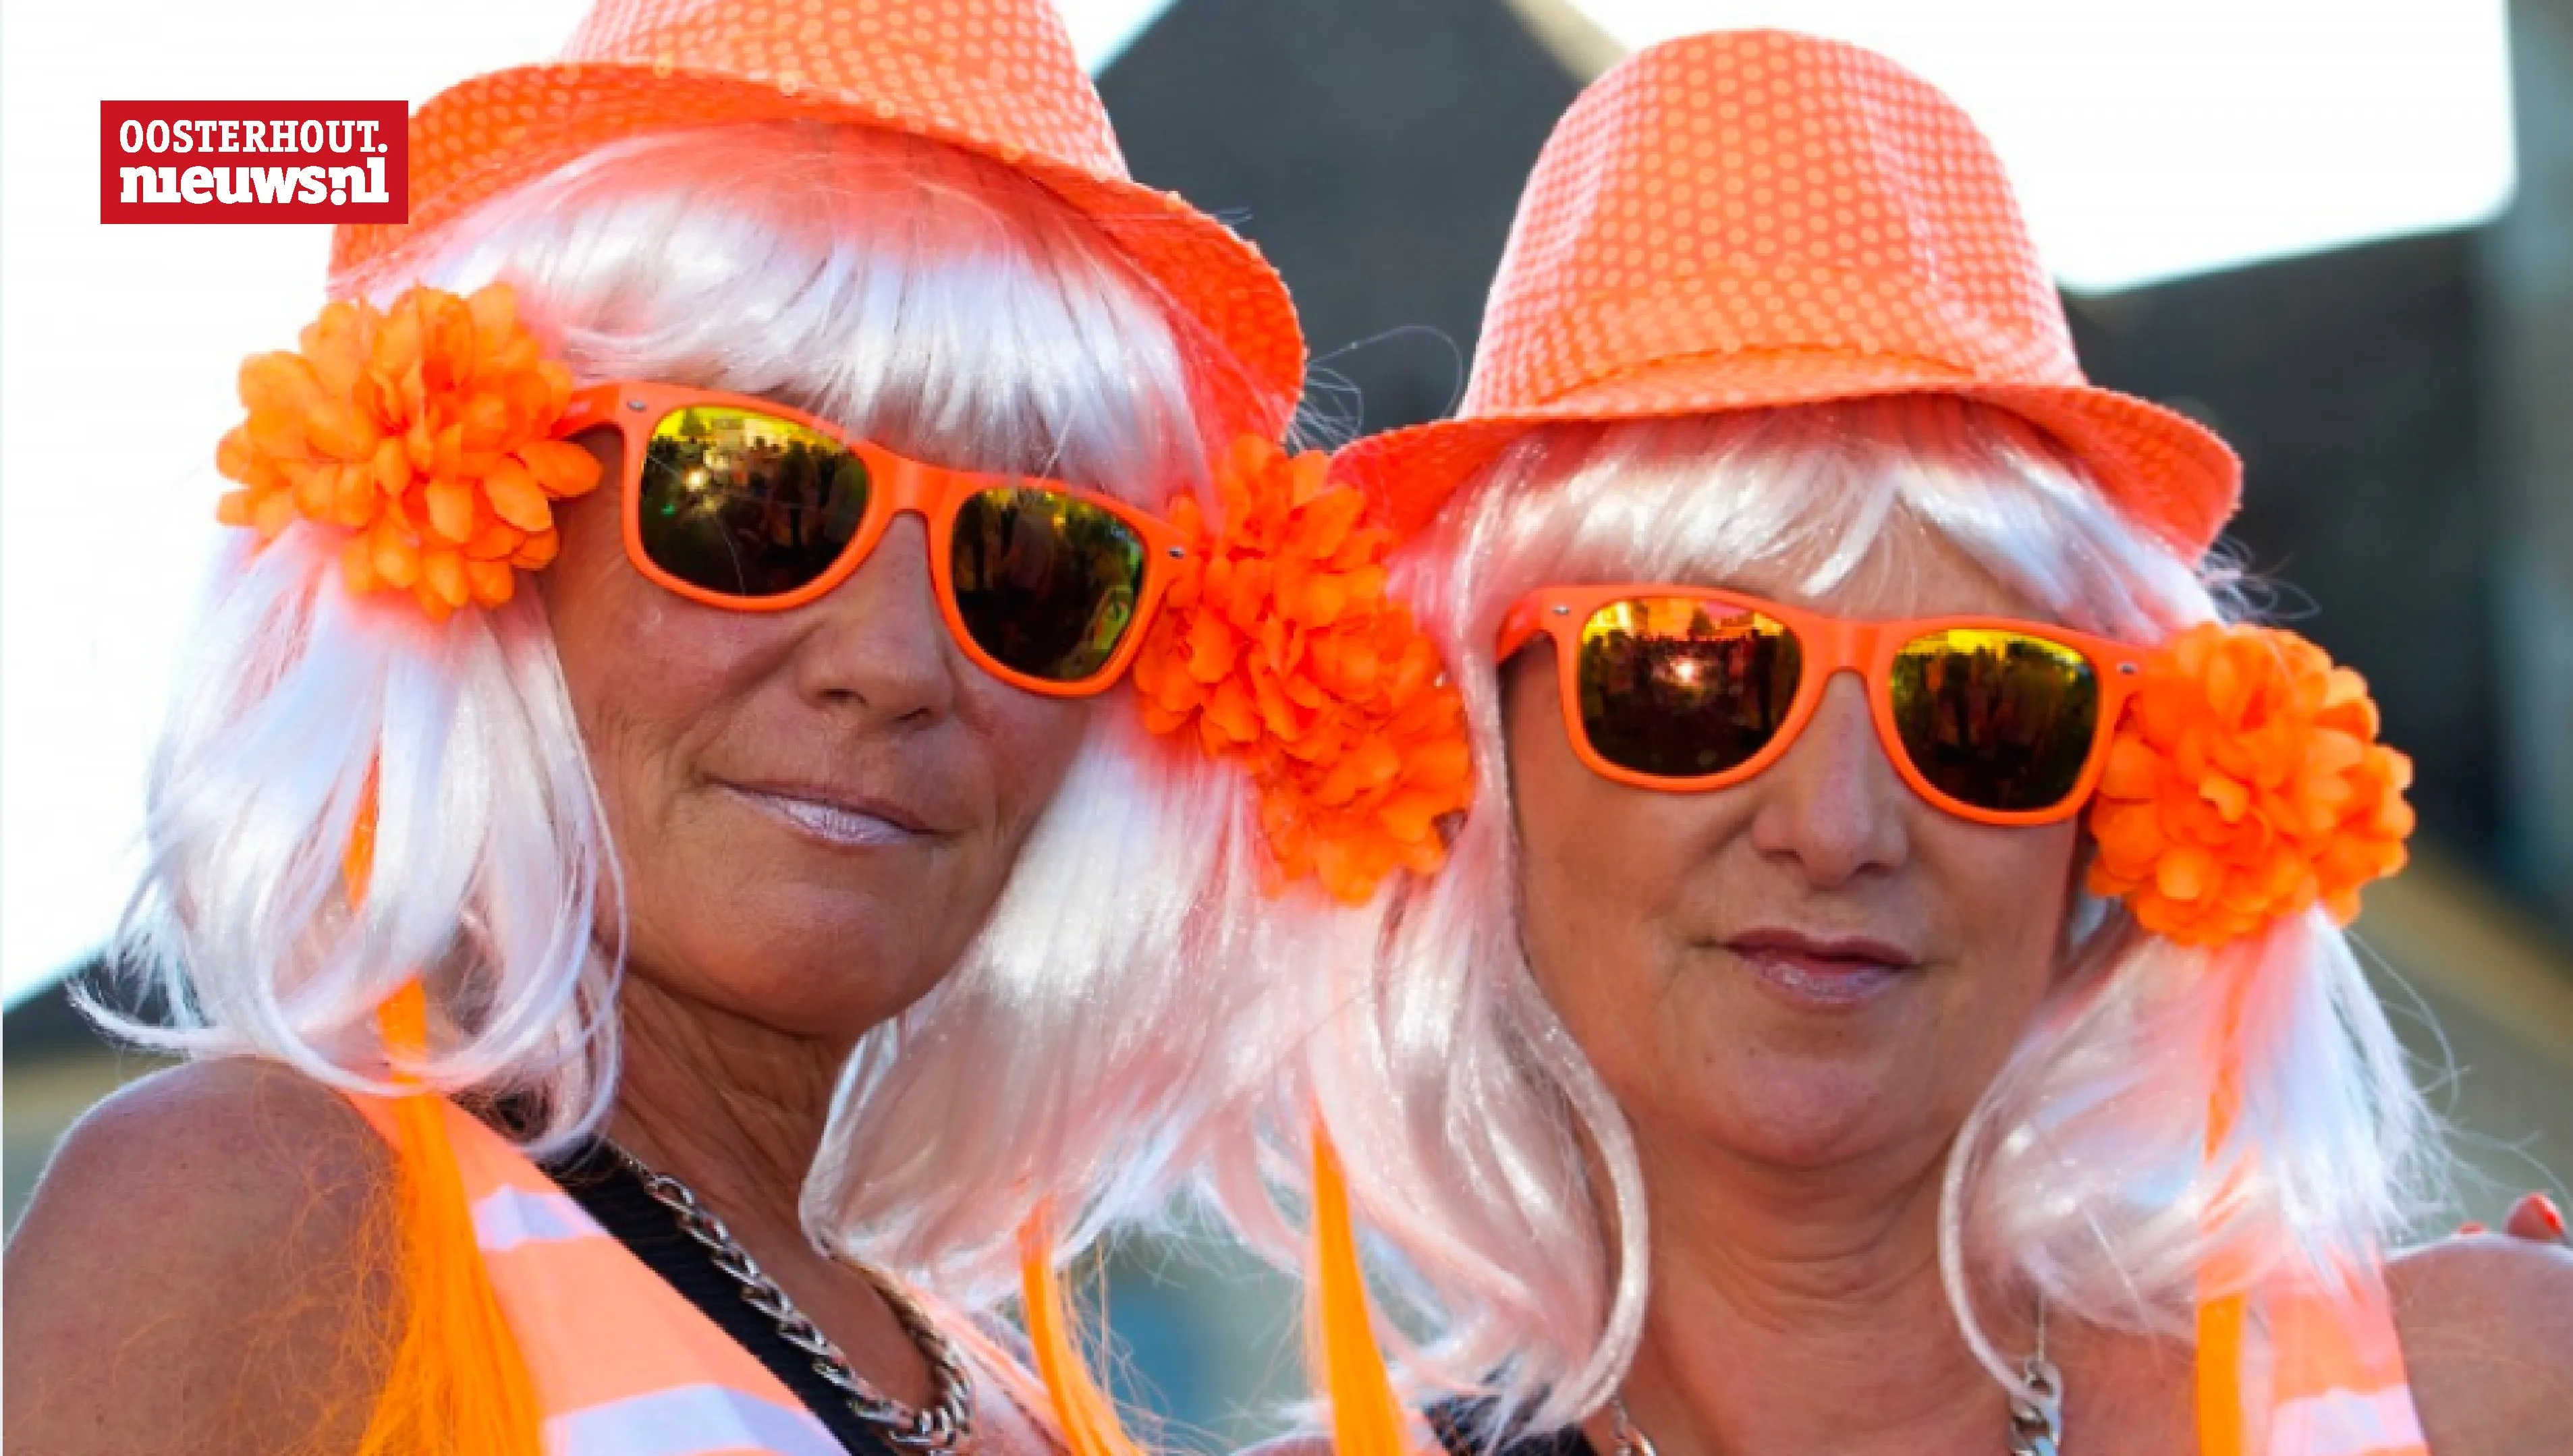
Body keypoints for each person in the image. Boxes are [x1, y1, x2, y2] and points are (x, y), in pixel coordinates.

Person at [0, 0, 1387, 1451]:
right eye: (754, 495)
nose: (897, 660)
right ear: (496, 535)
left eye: (1032, 567)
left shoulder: (1005, 1410)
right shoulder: (268, 1215)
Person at [1219, 30, 2573, 1456]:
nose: (1838, 823)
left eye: (1982, 704)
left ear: (2116, 805)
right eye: (1690, 676)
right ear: (1468, 754)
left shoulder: (2483, 1393)